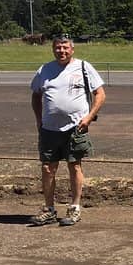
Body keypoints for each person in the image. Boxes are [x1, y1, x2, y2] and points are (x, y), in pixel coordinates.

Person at [28, 34, 106, 226]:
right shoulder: (44, 70)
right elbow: (36, 96)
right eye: (57, 48)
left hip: (75, 127)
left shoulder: (83, 67)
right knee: (48, 168)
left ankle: (75, 208)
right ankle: (49, 209)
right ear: (53, 49)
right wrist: (39, 120)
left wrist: (88, 117)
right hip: (49, 129)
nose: (61, 51)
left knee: (75, 166)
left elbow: (100, 94)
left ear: (72, 50)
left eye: (65, 48)